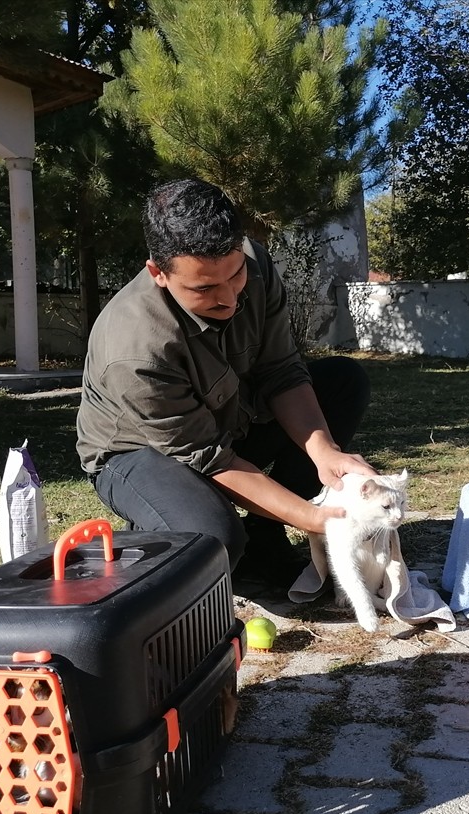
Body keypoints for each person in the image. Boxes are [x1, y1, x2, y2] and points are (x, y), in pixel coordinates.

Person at [76, 177, 375, 589]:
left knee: (343, 381)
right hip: (141, 454)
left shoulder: (254, 262)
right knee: (213, 543)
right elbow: (209, 458)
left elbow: (281, 371)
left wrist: (324, 453)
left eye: (235, 276)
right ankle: (161, 527)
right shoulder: (134, 348)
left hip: (228, 417)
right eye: (205, 288)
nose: (230, 299)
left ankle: (264, 536)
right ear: (158, 273)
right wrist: (313, 517)